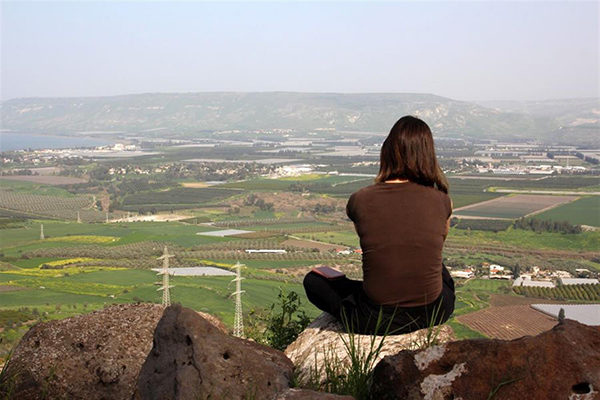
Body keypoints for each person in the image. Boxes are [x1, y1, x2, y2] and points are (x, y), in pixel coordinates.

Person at [303, 116, 455, 335]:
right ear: (428, 155)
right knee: (440, 269)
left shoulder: (360, 200)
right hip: (433, 311)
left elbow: (380, 245)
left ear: (388, 152)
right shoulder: (443, 200)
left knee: (314, 280)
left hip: (376, 319)